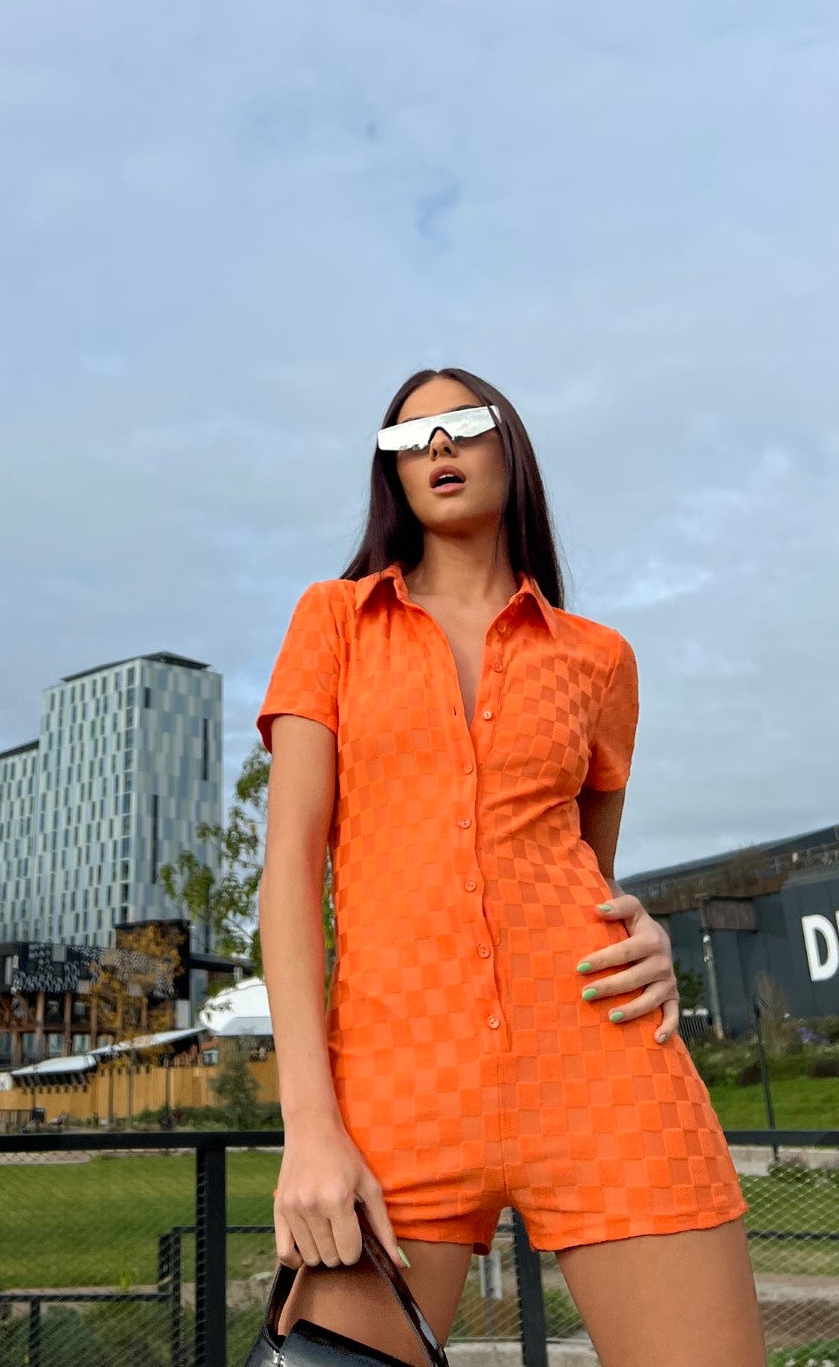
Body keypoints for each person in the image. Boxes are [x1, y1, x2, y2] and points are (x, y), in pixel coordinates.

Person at [257, 368, 765, 1367]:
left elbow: (582, 868)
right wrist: (310, 1126)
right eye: (412, 437)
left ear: (509, 445)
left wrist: (646, 931)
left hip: (604, 1072)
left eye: (462, 425)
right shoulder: (334, 620)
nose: (438, 447)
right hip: (392, 1091)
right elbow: (286, 874)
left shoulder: (600, 659)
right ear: (392, 473)